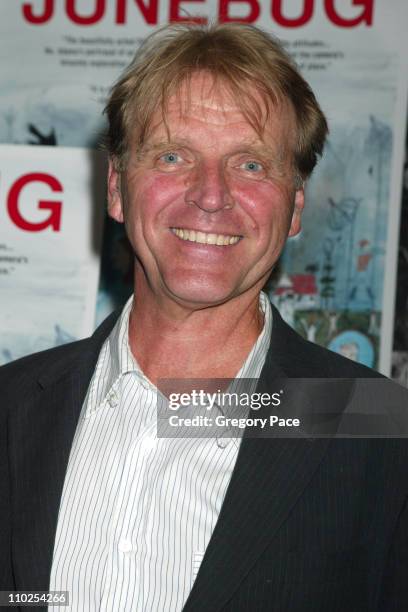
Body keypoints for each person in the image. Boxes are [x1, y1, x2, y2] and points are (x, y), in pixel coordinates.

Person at [1, 23, 407, 612]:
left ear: (294, 206)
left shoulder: (380, 434)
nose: (210, 194)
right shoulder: (13, 408)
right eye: (172, 156)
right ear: (117, 188)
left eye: (250, 165)